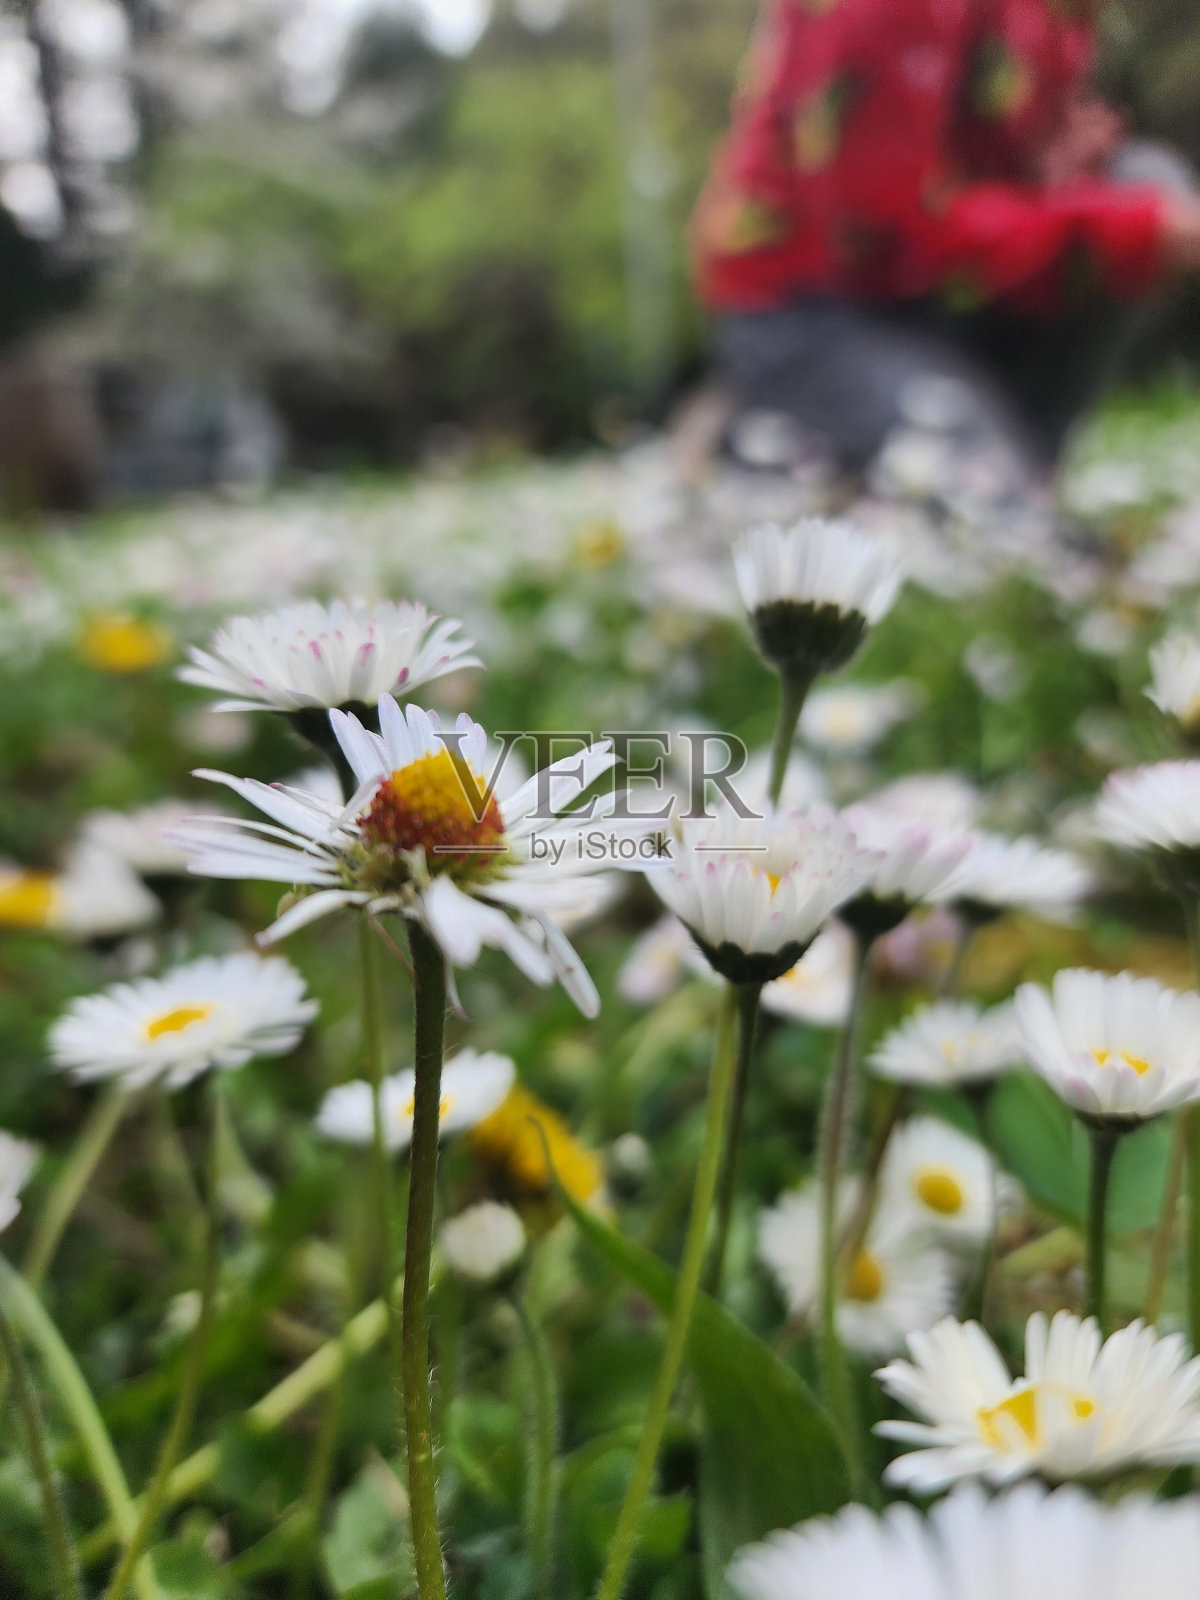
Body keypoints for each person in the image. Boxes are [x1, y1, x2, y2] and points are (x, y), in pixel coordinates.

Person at [691, 0, 1200, 481]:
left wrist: (1050, 172)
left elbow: (975, 145)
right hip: (810, 307)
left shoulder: (1048, 16)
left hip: (936, 301)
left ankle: (1018, 469)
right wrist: (1121, 230)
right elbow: (892, 224)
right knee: (983, 487)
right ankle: (772, 436)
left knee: (1144, 180)